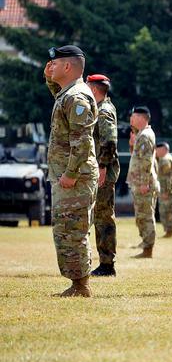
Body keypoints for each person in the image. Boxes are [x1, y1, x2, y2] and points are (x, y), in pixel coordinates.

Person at [44, 45, 99, 297]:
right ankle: (78, 283)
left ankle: (81, 286)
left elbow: (82, 140)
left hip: (75, 177)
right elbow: (60, 101)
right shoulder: (68, 94)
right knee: (66, 229)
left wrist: (71, 173)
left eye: (54, 63)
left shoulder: (76, 97)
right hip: (69, 175)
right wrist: (49, 79)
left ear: (68, 66)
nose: (50, 66)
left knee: (72, 230)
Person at [86, 74, 119, 276]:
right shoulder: (103, 107)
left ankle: (107, 264)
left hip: (103, 172)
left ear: (95, 90)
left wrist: (103, 166)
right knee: (100, 216)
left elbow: (109, 141)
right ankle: (105, 262)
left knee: (103, 217)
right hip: (101, 169)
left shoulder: (104, 111)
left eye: (88, 87)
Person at [126, 106, 158, 258]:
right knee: (141, 215)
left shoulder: (145, 135)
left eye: (133, 117)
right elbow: (137, 157)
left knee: (145, 216)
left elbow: (146, 161)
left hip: (143, 183)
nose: (131, 120)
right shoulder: (141, 135)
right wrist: (132, 144)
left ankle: (148, 249)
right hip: (139, 182)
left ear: (141, 118)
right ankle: (146, 245)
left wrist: (144, 182)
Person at [155, 142, 172, 237]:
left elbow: (167, 178)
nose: (156, 151)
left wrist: (165, 192)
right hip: (168, 190)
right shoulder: (167, 158)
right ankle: (168, 231)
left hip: (166, 191)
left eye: (157, 149)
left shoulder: (165, 160)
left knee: (166, 212)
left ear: (163, 149)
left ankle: (169, 231)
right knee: (167, 212)